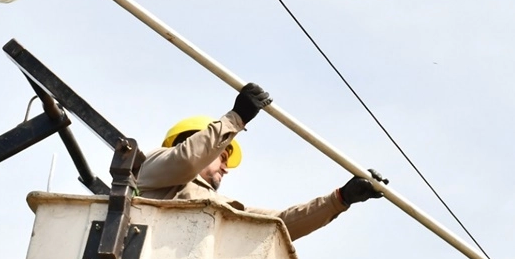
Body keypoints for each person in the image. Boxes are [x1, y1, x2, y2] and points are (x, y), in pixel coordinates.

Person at [136, 83, 386, 240]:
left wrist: (340, 199)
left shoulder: (219, 209)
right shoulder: (153, 169)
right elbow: (187, 160)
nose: (226, 168)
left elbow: (279, 225)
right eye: (223, 156)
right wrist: (236, 118)